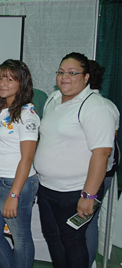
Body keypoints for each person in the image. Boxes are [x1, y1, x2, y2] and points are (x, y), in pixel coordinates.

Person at [34, 52, 116, 268]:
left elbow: (102, 153)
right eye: (61, 72)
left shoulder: (95, 106)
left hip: (75, 191)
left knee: (73, 242)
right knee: (53, 238)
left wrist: (88, 195)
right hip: (47, 188)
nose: (64, 77)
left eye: (72, 73)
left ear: (86, 77)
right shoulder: (53, 99)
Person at [0, 59, 40, 268]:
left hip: (16, 184)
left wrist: (14, 195)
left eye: (9, 79)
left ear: (21, 83)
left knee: (20, 237)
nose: (2, 84)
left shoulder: (27, 115)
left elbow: (27, 158)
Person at [85, 59, 120, 268]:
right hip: (92, 174)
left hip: (96, 176)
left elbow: (105, 147)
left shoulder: (102, 107)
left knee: (87, 224)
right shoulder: (109, 106)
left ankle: (87, 264)